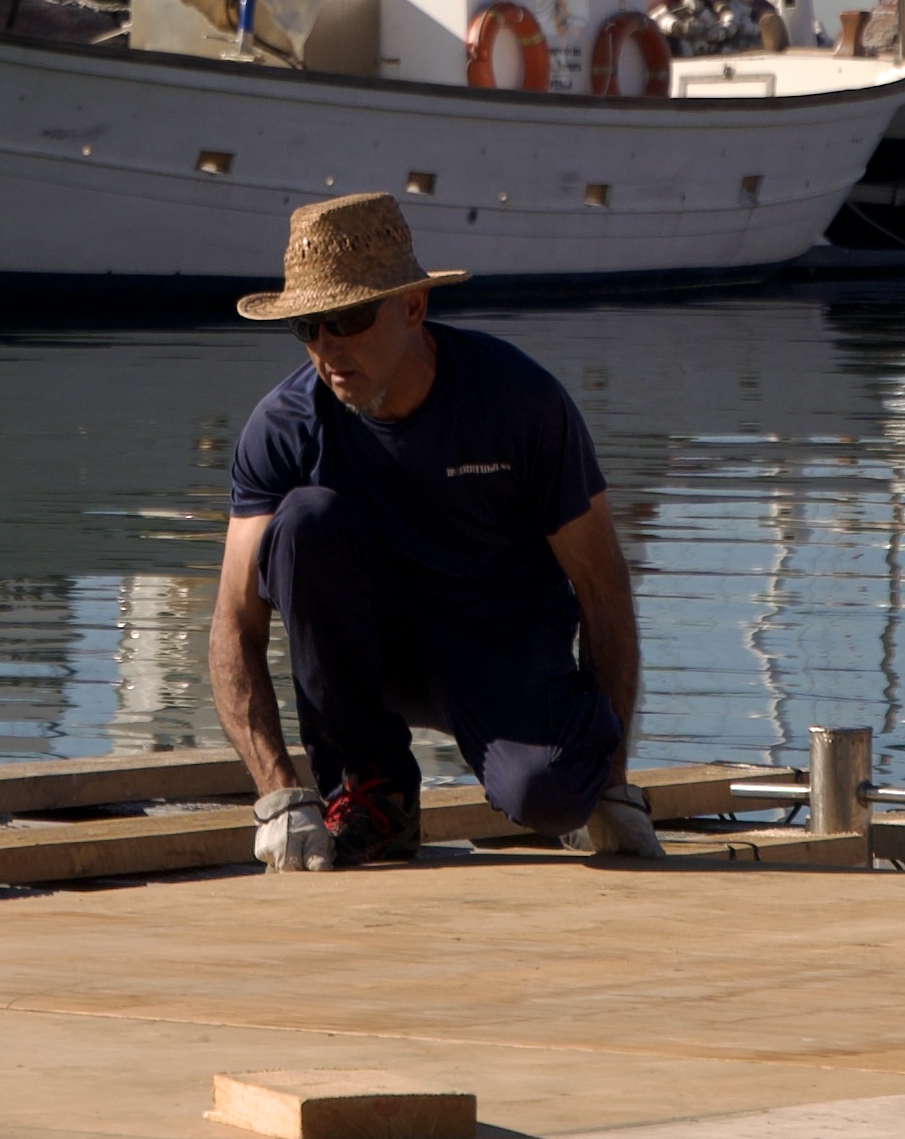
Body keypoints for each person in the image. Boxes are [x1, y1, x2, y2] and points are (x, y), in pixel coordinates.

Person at [212, 192, 663, 870]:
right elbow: (232, 622)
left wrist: (615, 779)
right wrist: (278, 794)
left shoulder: (519, 401)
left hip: (502, 648)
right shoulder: (281, 426)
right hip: (370, 652)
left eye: (349, 317)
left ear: (413, 307)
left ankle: (577, 778)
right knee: (303, 523)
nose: (328, 348)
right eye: (308, 327)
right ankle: (374, 798)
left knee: (552, 796)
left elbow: (601, 584)